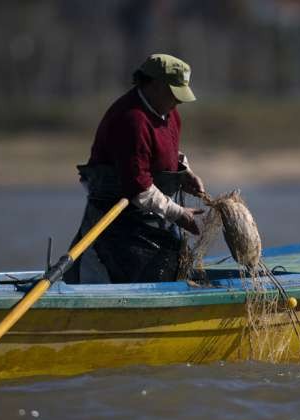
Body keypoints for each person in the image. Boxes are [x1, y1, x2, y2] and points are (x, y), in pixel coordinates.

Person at [64, 54, 206, 284]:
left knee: (176, 266)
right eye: (174, 94)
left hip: (153, 215)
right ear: (155, 85)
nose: (178, 102)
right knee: (118, 274)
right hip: (117, 221)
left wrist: (185, 171)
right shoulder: (131, 120)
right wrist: (178, 213)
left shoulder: (169, 112)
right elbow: (138, 187)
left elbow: (165, 151)